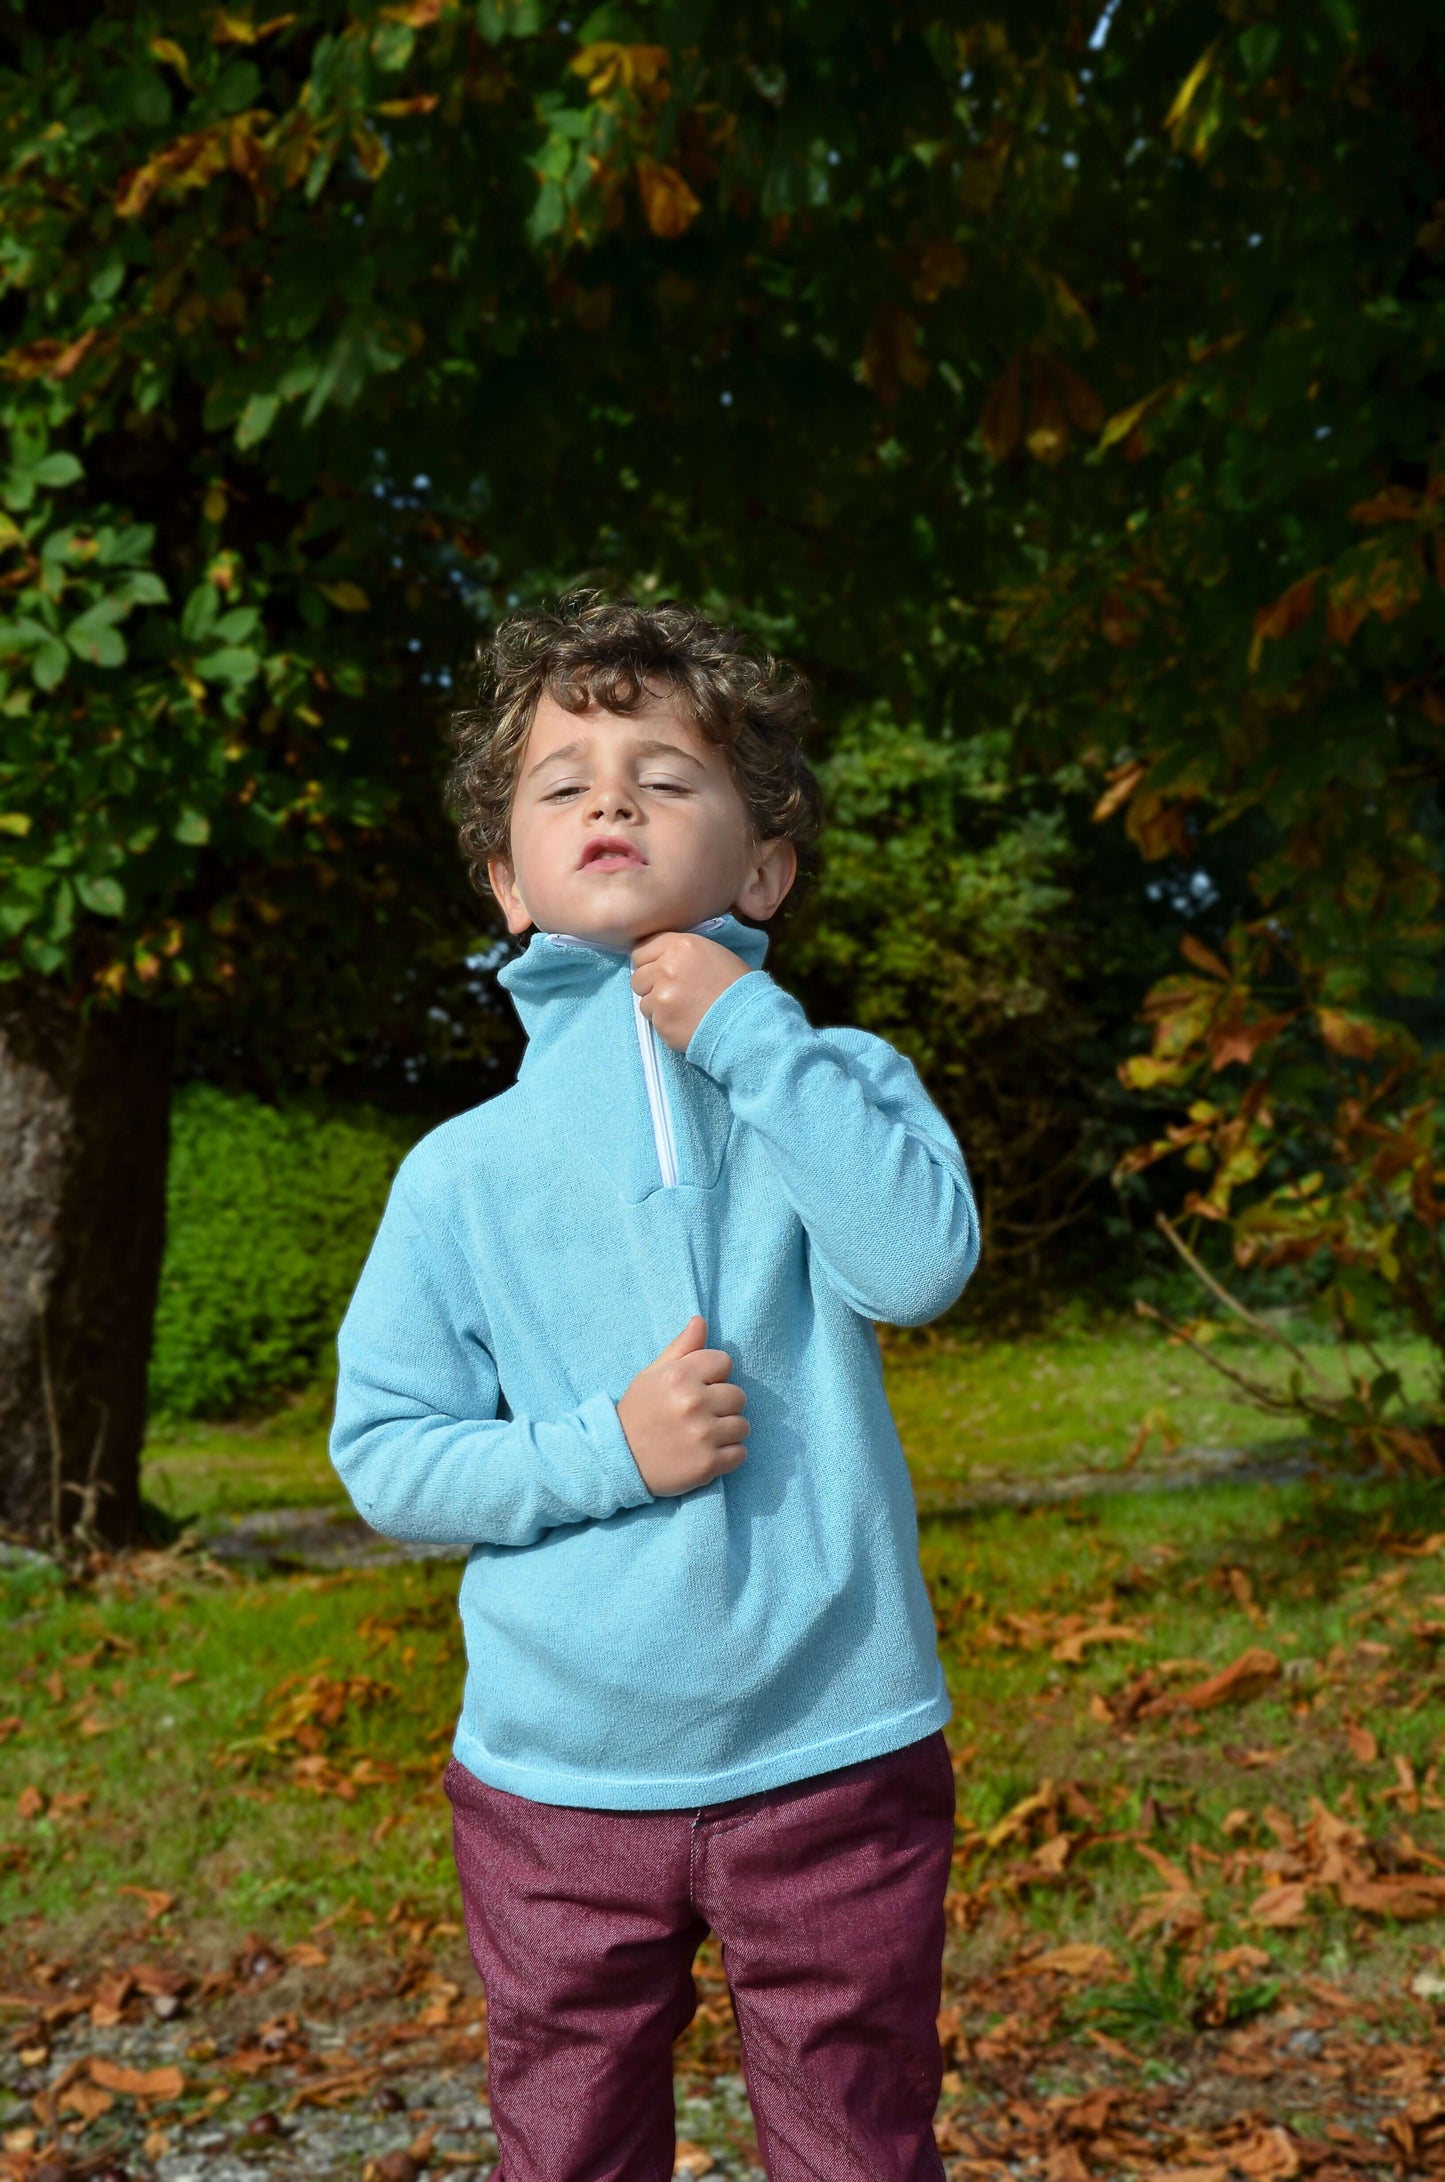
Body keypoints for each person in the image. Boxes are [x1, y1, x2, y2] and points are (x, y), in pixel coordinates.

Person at [330, 592, 981, 2182]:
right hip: (560, 1769)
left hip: (836, 1742)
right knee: (566, 2138)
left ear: (763, 866)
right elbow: (386, 1456)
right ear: (506, 880)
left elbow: (916, 1268)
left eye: (664, 773)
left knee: (855, 2137)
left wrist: (753, 1036)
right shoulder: (459, 1172)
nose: (609, 798)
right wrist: (605, 1451)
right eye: (561, 783)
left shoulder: (838, 1084)